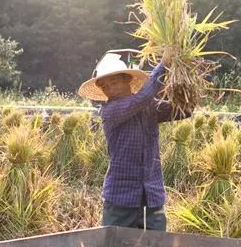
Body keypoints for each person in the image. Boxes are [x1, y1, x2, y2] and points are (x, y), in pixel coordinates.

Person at [78, 51, 189, 231]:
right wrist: (164, 64)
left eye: (114, 82)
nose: (109, 89)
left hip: (152, 197)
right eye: (105, 86)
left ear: (127, 80)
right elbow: (142, 98)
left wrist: (184, 81)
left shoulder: (149, 106)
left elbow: (183, 111)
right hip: (121, 199)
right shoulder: (110, 110)